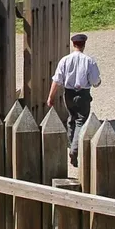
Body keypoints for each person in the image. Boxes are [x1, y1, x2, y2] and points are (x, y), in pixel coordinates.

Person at [47, 33, 101, 165]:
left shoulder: (64, 60)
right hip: (83, 93)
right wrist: (98, 83)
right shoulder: (89, 61)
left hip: (69, 93)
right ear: (84, 44)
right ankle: (74, 150)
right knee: (80, 121)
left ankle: (72, 144)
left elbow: (57, 80)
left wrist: (50, 97)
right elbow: (95, 81)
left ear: (73, 44)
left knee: (71, 118)